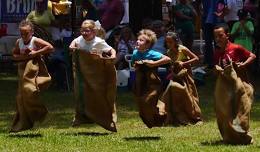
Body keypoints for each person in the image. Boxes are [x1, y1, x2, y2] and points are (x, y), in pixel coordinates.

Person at [69, 19, 117, 132]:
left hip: (96, 74)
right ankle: (82, 117)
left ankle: (106, 118)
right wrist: (72, 47)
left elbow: (111, 50)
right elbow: (72, 45)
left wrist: (112, 56)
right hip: (83, 74)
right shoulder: (79, 39)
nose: (84, 33)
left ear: (94, 32)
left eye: (87, 31)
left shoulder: (99, 41)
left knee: (98, 95)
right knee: (81, 94)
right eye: (82, 30)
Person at [213, 24, 255, 144]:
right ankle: (229, 137)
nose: (218, 38)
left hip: (240, 86)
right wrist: (216, 70)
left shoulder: (235, 48)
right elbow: (217, 69)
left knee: (240, 113)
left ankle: (243, 137)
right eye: (215, 36)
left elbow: (252, 56)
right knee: (225, 112)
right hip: (225, 88)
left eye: (220, 35)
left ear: (227, 35)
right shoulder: (217, 53)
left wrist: (243, 64)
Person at [10, 20, 54, 132]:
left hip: (33, 69)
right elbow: (14, 54)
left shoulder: (35, 40)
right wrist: (21, 57)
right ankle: (23, 123)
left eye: (26, 33)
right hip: (22, 70)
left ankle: (40, 113)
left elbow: (50, 47)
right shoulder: (18, 42)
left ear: (32, 32)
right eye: (22, 34)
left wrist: (35, 53)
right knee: (20, 98)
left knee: (29, 90)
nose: (24, 36)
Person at [160, 31, 202, 125]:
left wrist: (184, 63)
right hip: (176, 76)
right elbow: (171, 65)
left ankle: (193, 114)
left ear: (176, 41)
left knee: (189, 94)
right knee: (172, 93)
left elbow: (196, 58)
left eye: (170, 42)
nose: (169, 44)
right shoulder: (169, 52)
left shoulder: (182, 49)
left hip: (186, 75)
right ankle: (175, 115)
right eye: (167, 42)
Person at [131, 29, 171, 128]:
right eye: (138, 39)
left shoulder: (152, 53)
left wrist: (154, 63)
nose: (138, 41)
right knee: (141, 102)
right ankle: (151, 121)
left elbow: (167, 59)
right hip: (140, 81)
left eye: (141, 40)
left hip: (152, 82)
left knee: (148, 100)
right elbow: (133, 64)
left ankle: (161, 114)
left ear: (148, 44)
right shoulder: (135, 53)